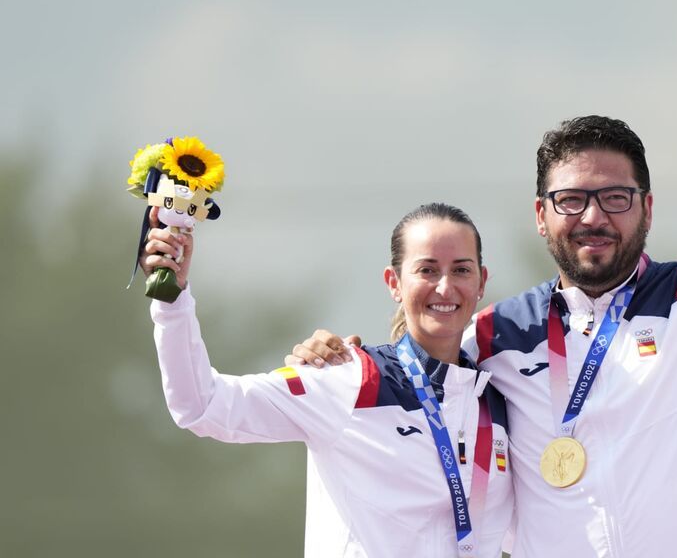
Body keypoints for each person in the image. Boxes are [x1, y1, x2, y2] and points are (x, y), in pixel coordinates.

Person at [289, 87, 677, 556]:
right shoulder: (495, 334)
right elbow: (417, 370)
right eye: (571, 200)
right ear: (542, 216)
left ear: (648, 208)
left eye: (616, 198)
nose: (593, 217)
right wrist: (333, 357)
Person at [141, 202, 513, 558]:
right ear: (394, 283)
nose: (445, 288)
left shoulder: (499, 399)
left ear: (481, 281)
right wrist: (172, 304)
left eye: (461, 270)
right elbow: (203, 405)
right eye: (427, 270)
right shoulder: (350, 378)